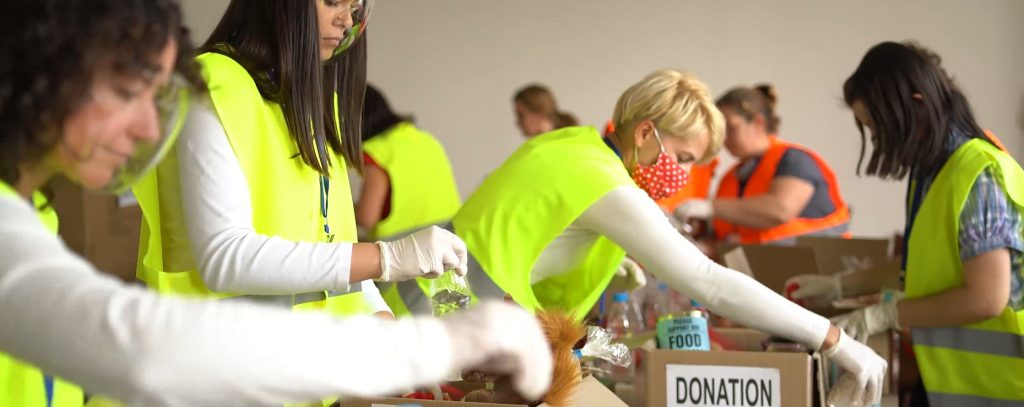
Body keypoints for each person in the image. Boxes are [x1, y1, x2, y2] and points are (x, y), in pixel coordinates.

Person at [0, 1, 552, 406]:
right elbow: (144, 344)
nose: (150, 127)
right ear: (45, 70)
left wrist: (385, 328)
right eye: (129, 93)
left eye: (357, 6)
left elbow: (333, 240)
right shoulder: (220, 89)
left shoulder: (32, 218)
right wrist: (426, 340)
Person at [453, 69, 887, 406]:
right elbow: (707, 280)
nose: (680, 175)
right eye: (681, 158)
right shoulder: (603, 181)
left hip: (443, 314)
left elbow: (536, 236)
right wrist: (834, 339)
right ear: (645, 133)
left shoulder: (575, 145)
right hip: (445, 331)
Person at [788, 41, 1024, 406]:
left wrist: (883, 315)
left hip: (1003, 388)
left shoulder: (979, 172)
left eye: (879, 126)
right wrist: (839, 284)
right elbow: (923, 268)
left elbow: (987, 297)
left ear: (916, 105)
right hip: (956, 384)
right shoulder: (931, 173)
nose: (879, 139)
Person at [674, 85, 851, 245]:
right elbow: (731, 235)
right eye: (720, 131)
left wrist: (709, 207)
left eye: (731, 128)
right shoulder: (732, 177)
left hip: (824, 273)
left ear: (758, 122)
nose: (724, 138)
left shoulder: (794, 160)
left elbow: (780, 210)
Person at [357, 84, 462, 316]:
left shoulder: (378, 149)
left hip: (403, 255)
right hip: (449, 248)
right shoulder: (426, 140)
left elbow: (366, 216)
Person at [513, 84, 578, 138]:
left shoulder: (543, 149)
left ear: (539, 112)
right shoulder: (576, 140)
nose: (517, 123)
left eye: (520, 115)